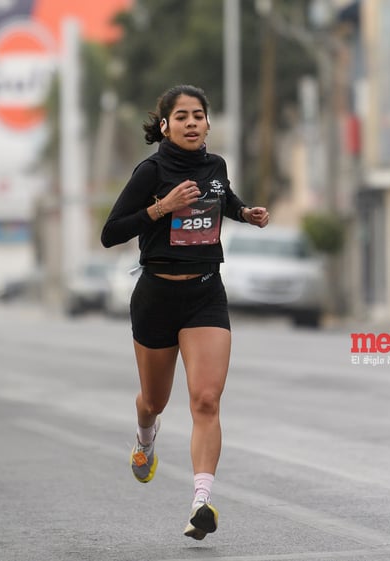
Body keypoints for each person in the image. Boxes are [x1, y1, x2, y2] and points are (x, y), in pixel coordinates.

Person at [100, 85, 269, 540]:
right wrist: (161, 207)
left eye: (199, 115)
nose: (192, 123)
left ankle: (201, 501)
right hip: (156, 296)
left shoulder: (216, 166)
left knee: (206, 400)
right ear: (165, 126)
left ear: (208, 124)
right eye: (182, 116)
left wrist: (244, 213)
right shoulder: (150, 171)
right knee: (155, 400)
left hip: (204, 294)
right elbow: (110, 233)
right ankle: (144, 436)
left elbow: (222, 198)